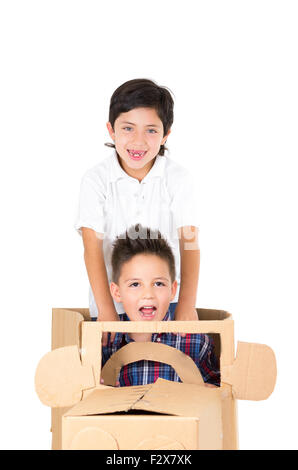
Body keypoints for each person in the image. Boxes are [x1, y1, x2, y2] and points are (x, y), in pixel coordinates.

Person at [75, 78, 200, 346]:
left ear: (166, 134)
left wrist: (187, 305)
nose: (139, 141)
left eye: (151, 131)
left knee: (173, 372)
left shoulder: (178, 179)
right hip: (114, 302)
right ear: (111, 130)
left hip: (165, 303)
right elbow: (91, 247)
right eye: (128, 128)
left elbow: (189, 244)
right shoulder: (96, 180)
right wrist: (106, 309)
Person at [101, 225, 220, 387]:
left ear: (172, 290)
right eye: (135, 284)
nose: (148, 294)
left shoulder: (196, 342)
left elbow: (221, 394)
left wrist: (206, 391)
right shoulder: (106, 343)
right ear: (117, 292)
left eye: (158, 283)